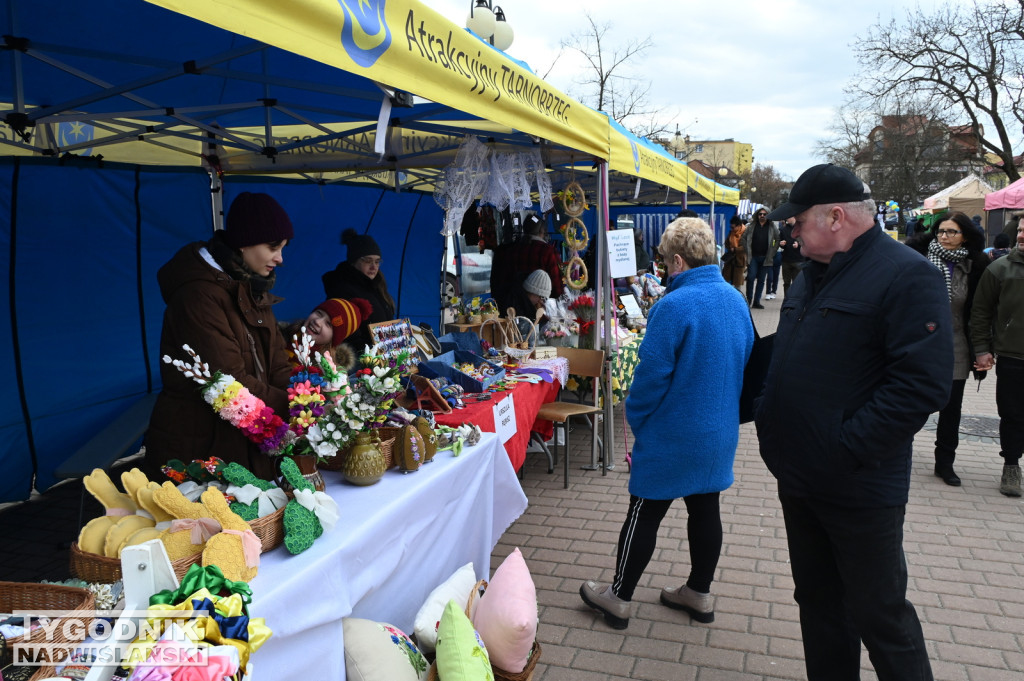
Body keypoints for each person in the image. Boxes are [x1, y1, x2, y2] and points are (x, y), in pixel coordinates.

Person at [755, 164, 951, 681]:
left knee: (879, 615)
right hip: (800, 478)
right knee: (819, 606)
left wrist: (845, 448)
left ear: (835, 216)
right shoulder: (812, 273)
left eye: (796, 223)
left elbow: (920, 385)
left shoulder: (907, 274)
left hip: (859, 487)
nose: (790, 234)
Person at [579, 217, 753, 630]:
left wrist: (638, 419)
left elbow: (650, 377)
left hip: (672, 433)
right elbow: (747, 357)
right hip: (719, 431)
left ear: (677, 261)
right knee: (706, 508)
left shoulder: (672, 306)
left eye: (662, 259)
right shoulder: (734, 298)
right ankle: (699, 592)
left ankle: (618, 597)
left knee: (643, 511)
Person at [145, 192, 295, 480]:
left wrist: (307, 401)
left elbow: (277, 362)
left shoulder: (253, 284)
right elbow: (229, 381)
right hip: (201, 449)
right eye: (274, 246)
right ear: (244, 242)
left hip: (245, 441)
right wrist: (295, 407)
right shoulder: (198, 294)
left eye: (283, 247)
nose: (280, 258)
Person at [906, 212, 990, 486]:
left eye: (952, 232)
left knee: (951, 408)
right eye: (941, 231)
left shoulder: (975, 265)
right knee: (908, 403)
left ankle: (945, 463)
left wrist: (982, 349)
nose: (944, 236)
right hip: (918, 342)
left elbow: (979, 312)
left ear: (965, 235)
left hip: (956, 343)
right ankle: (897, 455)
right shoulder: (917, 257)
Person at [970, 218, 1024, 497]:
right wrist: (982, 349)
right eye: (1021, 230)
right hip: (1013, 355)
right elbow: (980, 312)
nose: (1023, 235)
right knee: (1013, 414)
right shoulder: (999, 269)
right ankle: (1012, 465)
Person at [322, 229, 395, 352]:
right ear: (353, 261)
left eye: (377, 262)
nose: (374, 267)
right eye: (368, 261)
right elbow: (346, 332)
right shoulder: (341, 289)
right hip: (364, 362)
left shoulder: (377, 286)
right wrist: (368, 355)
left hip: (384, 358)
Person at [489, 214, 564, 315]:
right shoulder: (548, 252)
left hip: (514, 308)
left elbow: (502, 280)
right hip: (540, 310)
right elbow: (557, 286)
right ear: (542, 232)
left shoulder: (512, 250)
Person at [282, 297, 372, 368]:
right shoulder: (278, 336)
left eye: (328, 324)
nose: (317, 321)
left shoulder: (328, 372)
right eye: (319, 313)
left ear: (335, 338)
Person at [741, 208, 779, 308]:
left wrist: (773, 251)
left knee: (761, 280)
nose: (762, 216)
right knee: (750, 277)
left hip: (766, 258)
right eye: (760, 214)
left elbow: (778, 239)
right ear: (757, 215)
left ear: (768, 215)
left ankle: (756, 302)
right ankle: (748, 300)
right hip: (753, 257)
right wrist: (747, 250)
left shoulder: (771, 226)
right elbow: (743, 238)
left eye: (764, 214)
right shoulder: (751, 226)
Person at [777, 219, 805, 298]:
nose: (787, 218)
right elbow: (777, 241)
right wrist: (781, 244)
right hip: (786, 260)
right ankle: (787, 299)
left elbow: (807, 241)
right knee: (786, 283)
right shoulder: (783, 229)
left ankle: (795, 299)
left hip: (798, 259)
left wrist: (799, 244)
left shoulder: (801, 228)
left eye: (789, 217)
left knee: (797, 283)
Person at [721, 215, 747, 290]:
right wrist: (730, 248)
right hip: (730, 259)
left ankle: (737, 297)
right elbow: (726, 243)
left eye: (733, 227)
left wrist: (735, 249)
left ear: (739, 226)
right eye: (731, 227)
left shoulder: (745, 233)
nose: (732, 229)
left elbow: (746, 247)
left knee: (737, 282)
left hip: (740, 260)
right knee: (725, 279)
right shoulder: (731, 233)